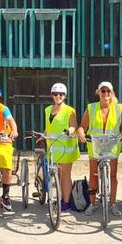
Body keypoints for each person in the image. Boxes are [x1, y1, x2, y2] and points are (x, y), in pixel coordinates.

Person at [77, 81, 122, 217]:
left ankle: (112, 204)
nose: (105, 94)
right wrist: (81, 132)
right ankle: (92, 204)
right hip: (95, 145)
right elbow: (82, 126)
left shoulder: (119, 108)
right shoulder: (91, 108)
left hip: (112, 145)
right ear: (98, 92)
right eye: (103, 91)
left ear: (112, 93)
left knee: (113, 176)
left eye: (108, 91)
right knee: (93, 175)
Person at [42, 83, 80, 212]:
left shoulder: (70, 110)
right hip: (52, 148)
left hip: (66, 148)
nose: (58, 96)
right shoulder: (47, 110)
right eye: (55, 94)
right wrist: (43, 135)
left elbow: (74, 126)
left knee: (65, 176)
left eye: (61, 94)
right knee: (57, 176)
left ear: (65, 96)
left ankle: (66, 202)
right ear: (51, 95)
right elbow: (49, 128)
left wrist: (70, 130)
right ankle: (60, 196)